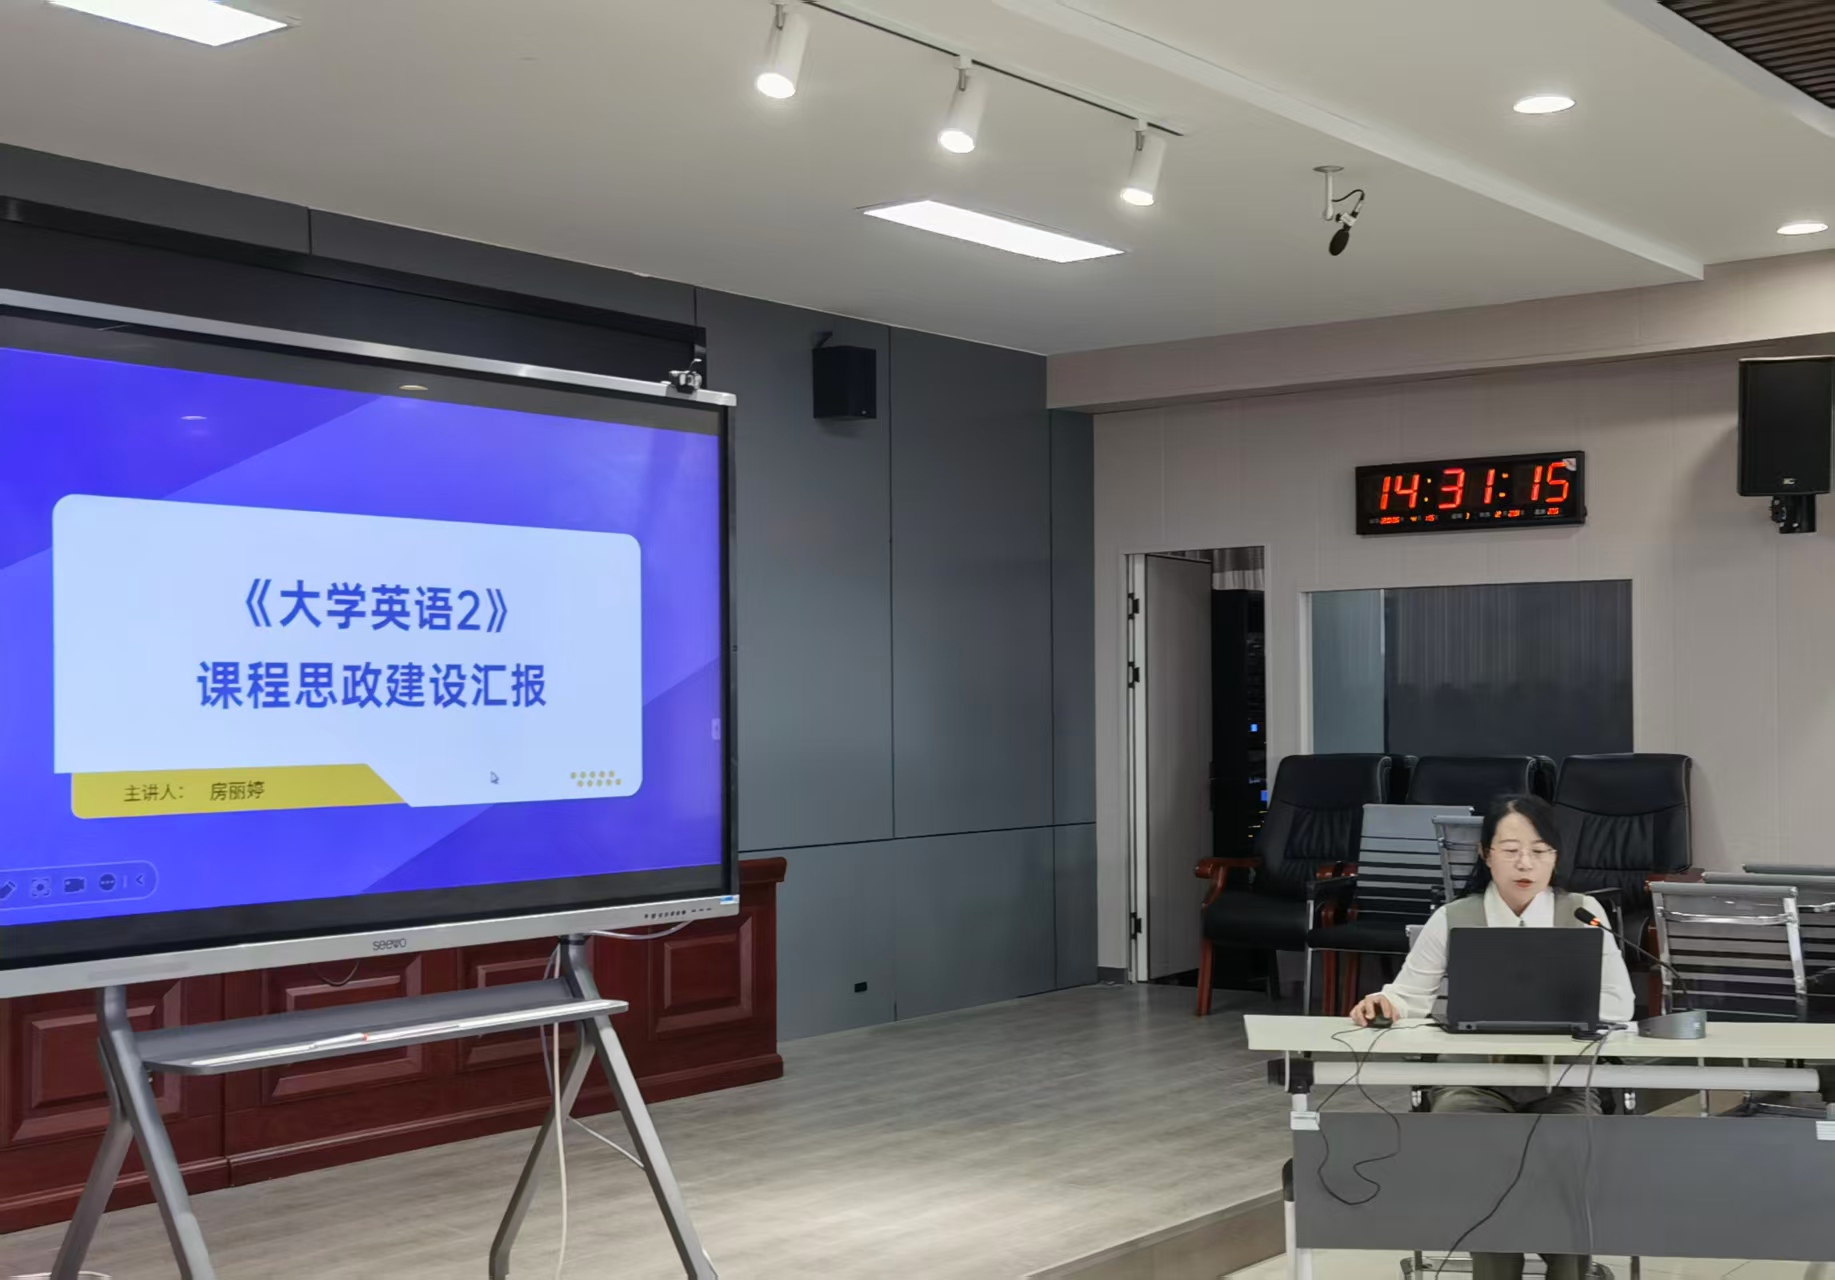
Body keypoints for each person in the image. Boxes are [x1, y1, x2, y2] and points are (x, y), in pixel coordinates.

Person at [1349, 794, 1633, 1280]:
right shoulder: (1454, 916)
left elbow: (1619, 1004)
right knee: (1476, 1152)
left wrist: (1555, 1014)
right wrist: (1383, 1003)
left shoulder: (1582, 913)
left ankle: (1568, 1270)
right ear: (1486, 854)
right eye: (1511, 850)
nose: (1525, 864)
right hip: (1473, 1082)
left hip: (1562, 1084)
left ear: (1555, 856)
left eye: (1539, 851)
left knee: (1570, 1153)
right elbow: (1408, 995)